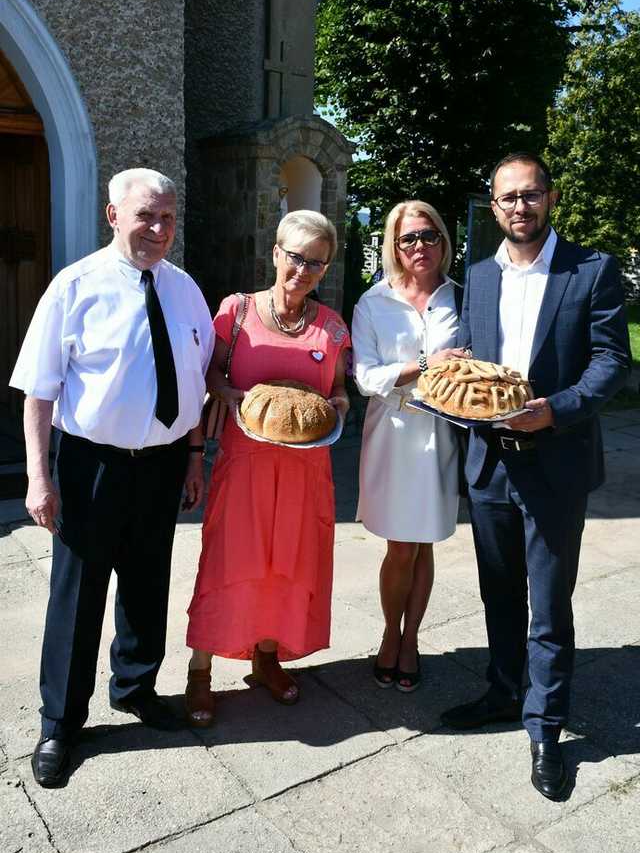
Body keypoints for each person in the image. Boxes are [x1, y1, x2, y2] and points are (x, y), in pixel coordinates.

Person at [10, 168, 214, 788]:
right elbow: (39, 394)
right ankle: (61, 723)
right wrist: (38, 478)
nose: (158, 229)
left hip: (161, 464)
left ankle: (135, 688)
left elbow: (198, 382)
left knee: (148, 584)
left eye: (168, 218)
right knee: (78, 596)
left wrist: (195, 456)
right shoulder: (73, 287)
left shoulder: (185, 290)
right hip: (90, 465)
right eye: (146, 216)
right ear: (113, 216)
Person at [441, 152, 631, 800]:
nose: (518, 207)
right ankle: (503, 688)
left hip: (555, 460)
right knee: (499, 591)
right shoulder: (480, 276)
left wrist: (555, 411)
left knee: (547, 605)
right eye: (506, 198)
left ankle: (546, 728)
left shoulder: (592, 269)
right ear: (493, 206)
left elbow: (611, 361)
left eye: (529, 195)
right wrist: (451, 364)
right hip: (490, 462)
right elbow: (473, 351)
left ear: (549, 198)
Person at [185, 210, 350, 725]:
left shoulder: (331, 326)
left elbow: (339, 388)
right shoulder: (236, 312)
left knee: (289, 564)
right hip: (246, 462)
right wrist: (228, 392)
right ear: (276, 253)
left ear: (325, 271)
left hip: (306, 470)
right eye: (296, 257)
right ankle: (200, 670)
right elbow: (208, 371)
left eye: (316, 264)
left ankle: (266, 656)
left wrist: (341, 405)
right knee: (229, 564)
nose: (303, 270)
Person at [352, 201, 467, 692]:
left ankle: (412, 638)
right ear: (394, 246)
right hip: (394, 436)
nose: (420, 246)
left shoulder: (463, 297)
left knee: (423, 544)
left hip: (442, 435)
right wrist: (426, 364)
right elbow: (365, 378)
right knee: (400, 545)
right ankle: (388, 634)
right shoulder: (372, 302)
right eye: (408, 238)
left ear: (443, 240)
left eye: (429, 235)